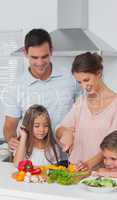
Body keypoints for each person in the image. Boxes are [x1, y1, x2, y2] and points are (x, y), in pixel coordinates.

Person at [3, 29, 80, 157]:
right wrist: (11, 139)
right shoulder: (15, 87)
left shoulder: (71, 79)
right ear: (25, 53)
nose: (39, 63)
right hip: (33, 162)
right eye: (34, 57)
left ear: (51, 52)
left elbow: (83, 113)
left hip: (68, 158)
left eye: (44, 57)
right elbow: (9, 127)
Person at [56, 52, 117, 167]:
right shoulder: (81, 102)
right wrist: (66, 133)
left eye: (87, 80)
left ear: (99, 74)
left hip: (102, 172)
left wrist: (88, 164)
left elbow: (116, 146)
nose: (84, 86)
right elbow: (59, 129)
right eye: (79, 82)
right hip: (75, 168)